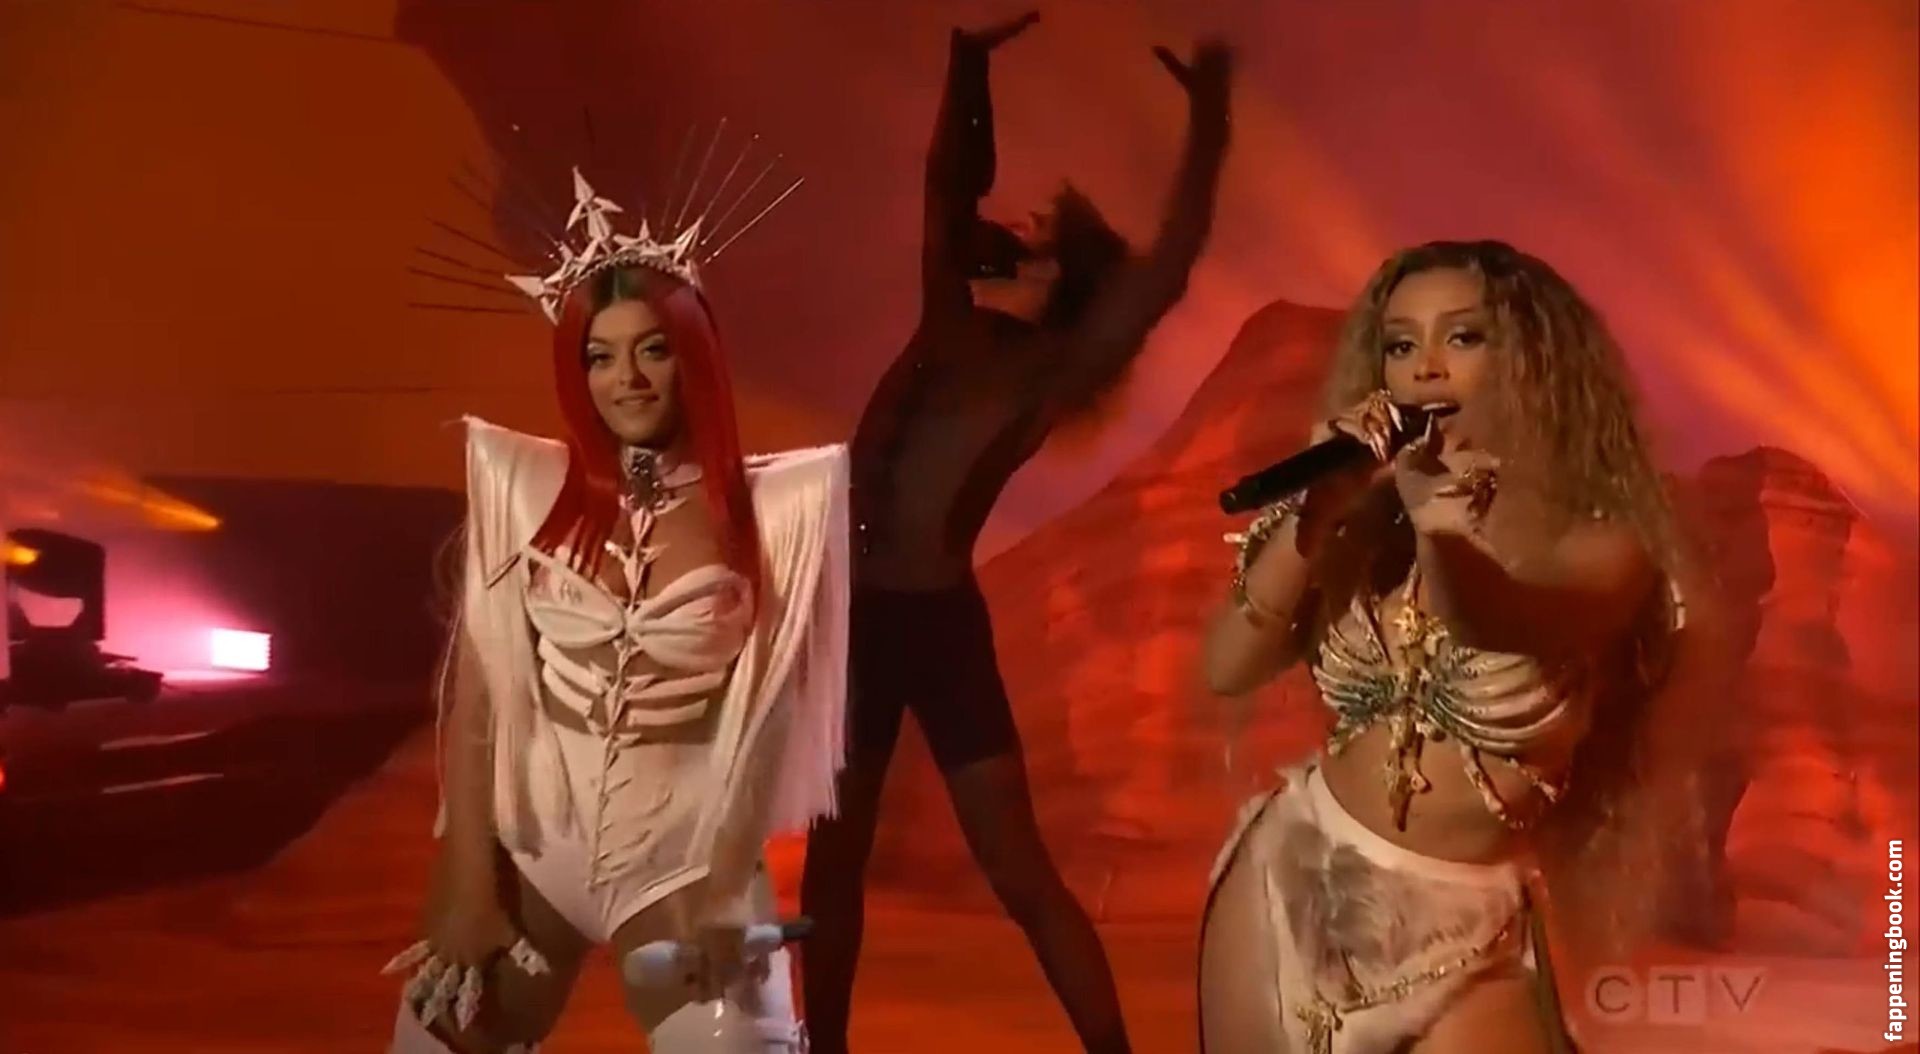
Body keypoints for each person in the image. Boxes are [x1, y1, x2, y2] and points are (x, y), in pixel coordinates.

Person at [799, 13, 1231, 1054]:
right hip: (856, 622)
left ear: (1064, 283)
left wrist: (1209, 124)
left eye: (1034, 242)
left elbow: (1165, 271)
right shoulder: (948, 320)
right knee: (833, 863)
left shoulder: (1047, 373)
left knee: (1016, 867)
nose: (1010, 239)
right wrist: (968, 65)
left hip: (932, 625)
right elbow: (947, 191)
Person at [385, 169, 849, 1053]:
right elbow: (480, 697)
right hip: (532, 851)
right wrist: (466, 877)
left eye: (652, 350)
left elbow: (773, 711)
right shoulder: (525, 490)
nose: (625, 379)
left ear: (693, 357)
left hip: (686, 864)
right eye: (599, 356)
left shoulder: (779, 512)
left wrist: (726, 886)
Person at [1199, 240, 1692, 1053]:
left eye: (1464, 337)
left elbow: (1496, 620)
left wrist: (1440, 527)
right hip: (1286, 884)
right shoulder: (1363, 525)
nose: (1425, 367)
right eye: (1400, 345)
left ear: (1536, 362)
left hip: (1463, 939)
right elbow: (1227, 667)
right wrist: (1317, 518)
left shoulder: (1606, 540)